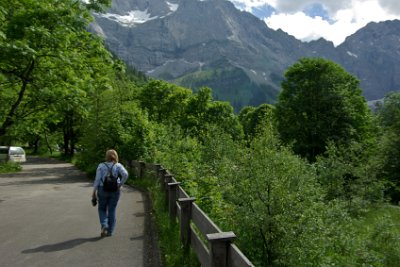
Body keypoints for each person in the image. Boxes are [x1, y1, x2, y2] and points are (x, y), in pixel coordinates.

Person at [92, 149, 128, 237]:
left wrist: (93, 192)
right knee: (112, 210)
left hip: (102, 190)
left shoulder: (101, 166)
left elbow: (97, 180)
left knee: (102, 209)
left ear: (106, 156)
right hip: (115, 191)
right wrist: (119, 185)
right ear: (116, 156)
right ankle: (110, 231)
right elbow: (125, 174)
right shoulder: (118, 165)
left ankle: (104, 225)